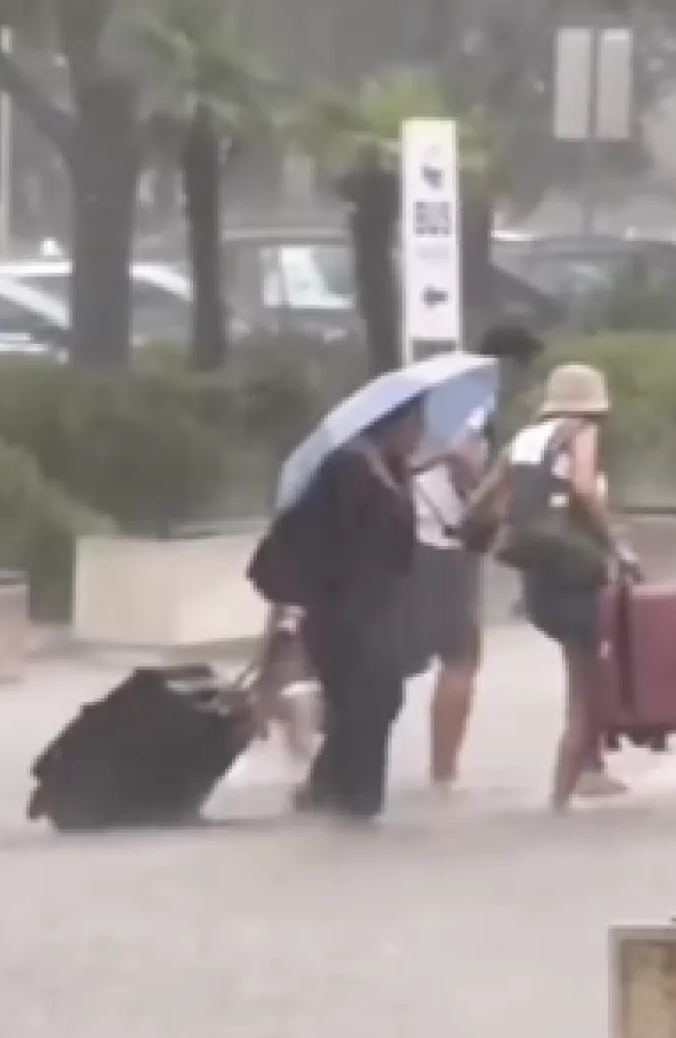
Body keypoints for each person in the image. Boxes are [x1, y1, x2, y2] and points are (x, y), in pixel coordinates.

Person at [466, 363, 638, 810]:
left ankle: (586, 776)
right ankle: (561, 798)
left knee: (580, 677)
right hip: (576, 570)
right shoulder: (580, 433)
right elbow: (583, 488)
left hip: (538, 575)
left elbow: (484, 502)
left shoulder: (521, 442)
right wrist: (617, 542)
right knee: (588, 692)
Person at [249, 398, 424, 821]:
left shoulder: (390, 468)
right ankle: (353, 802)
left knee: (375, 698)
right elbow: (327, 541)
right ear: (393, 423)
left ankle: (332, 793)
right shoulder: (348, 468)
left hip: (376, 601)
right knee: (367, 697)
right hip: (340, 606)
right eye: (416, 423)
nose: (421, 434)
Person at [407, 323, 544, 789]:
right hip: (441, 540)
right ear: (509, 364)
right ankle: (443, 776)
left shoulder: (440, 390)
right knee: (461, 656)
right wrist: (486, 495)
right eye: (527, 371)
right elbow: (461, 456)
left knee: (395, 655)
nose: (527, 382)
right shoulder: (474, 396)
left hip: (407, 534)